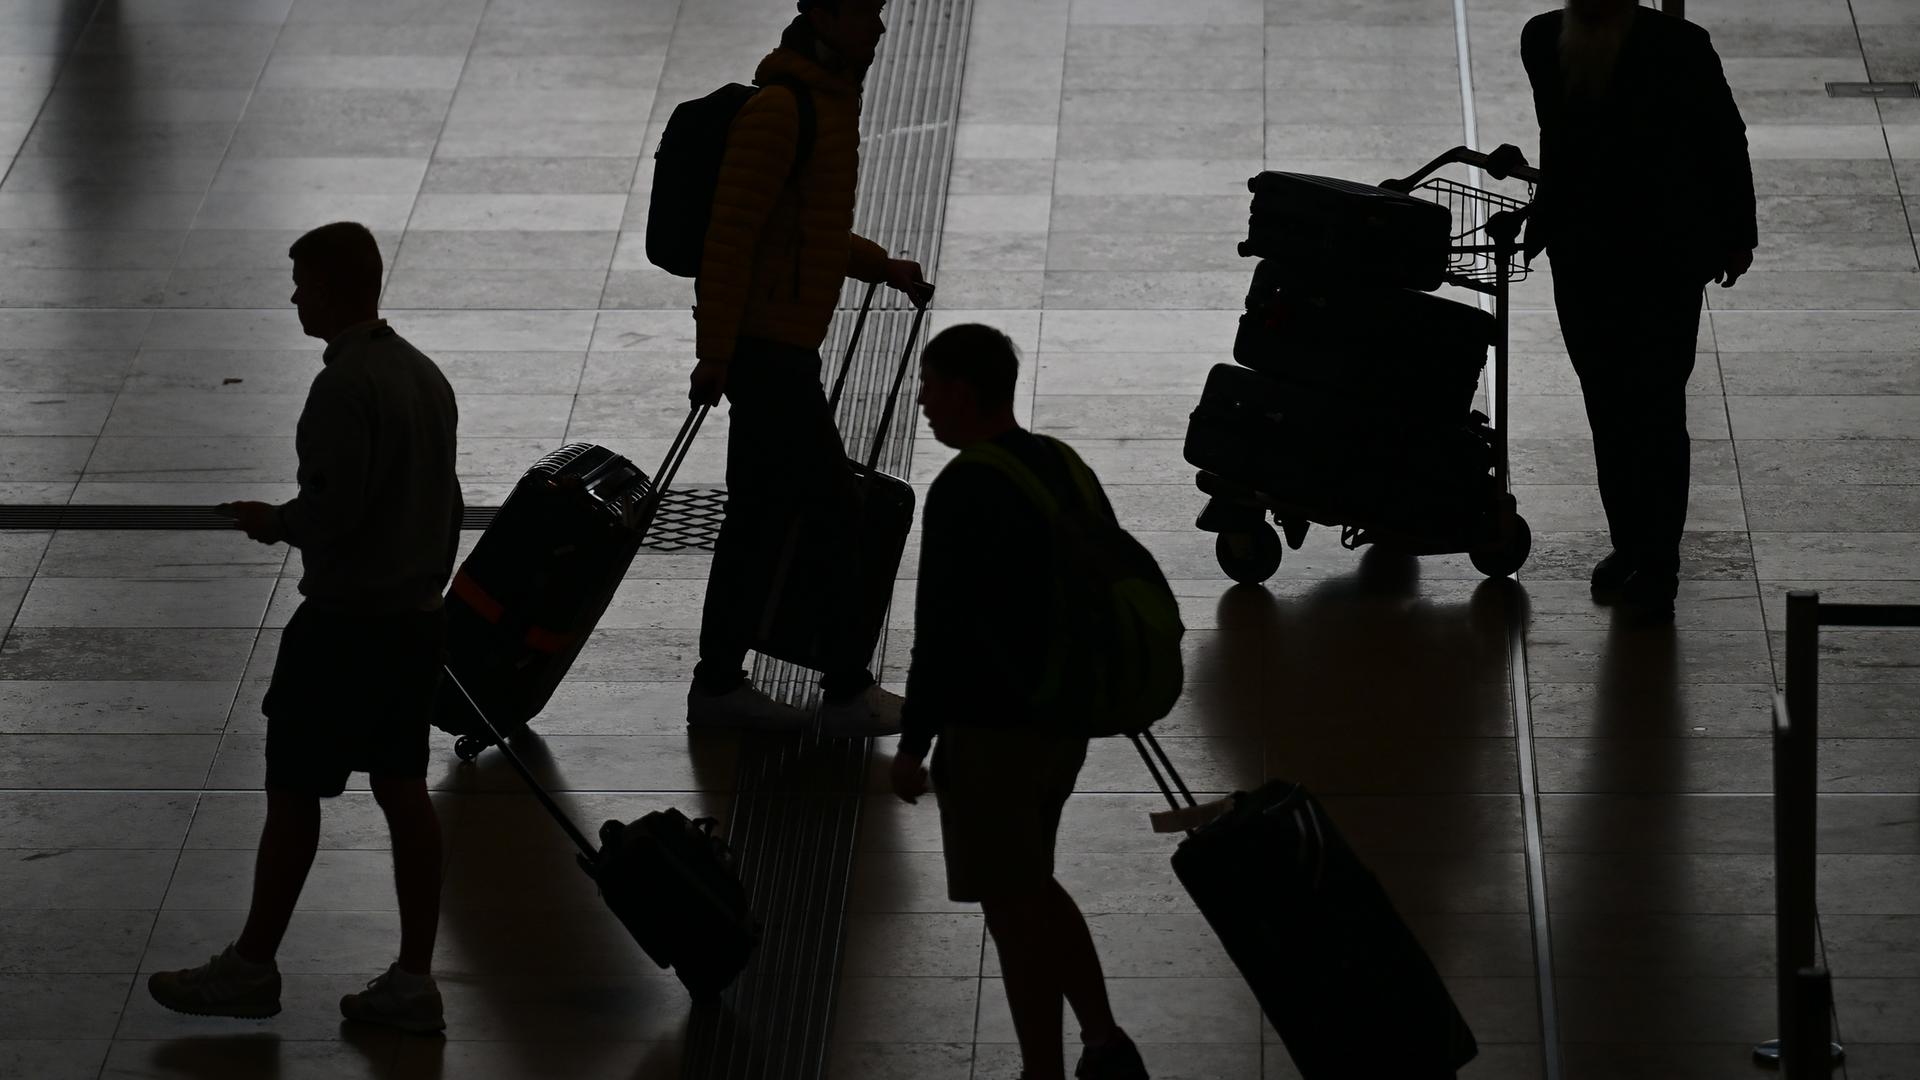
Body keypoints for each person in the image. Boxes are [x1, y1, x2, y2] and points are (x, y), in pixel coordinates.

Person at [147, 221, 462, 1034]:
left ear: (330, 285)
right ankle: (415, 978)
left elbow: (335, 512)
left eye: (301, 282)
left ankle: (251, 967)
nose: (293, 297)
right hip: (416, 622)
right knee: (402, 791)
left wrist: (274, 522)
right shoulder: (423, 375)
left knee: (293, 793)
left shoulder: (343, 387)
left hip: (346, 627)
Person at [889, 324, 1150, 1080]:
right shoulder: (1060, 463)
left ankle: (1047, 1071)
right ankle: (1103, 1044)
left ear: (964, 393)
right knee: (1030, 881)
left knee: (1012, 908)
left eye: (931, 387)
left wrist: (912, 744)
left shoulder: (966, 486)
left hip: (993, 729)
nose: (924, 403)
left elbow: (939, 628)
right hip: (1062, 718)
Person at [686, 0, 934, 735]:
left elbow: (808, 232)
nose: (880, 29)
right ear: (824, 15)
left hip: (784, 344)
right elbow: (728, 239)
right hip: (766, 353)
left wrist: (881, 266)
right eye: (865, 13)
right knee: (834, 509)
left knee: (760, 518)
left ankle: (722, 683)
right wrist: (715, 356)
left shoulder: (826, 105)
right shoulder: (781, 112)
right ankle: (843, 688)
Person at [1522, 0, 1757, 620]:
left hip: (1659, 259)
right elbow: (1560, 140)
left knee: (1652, 407)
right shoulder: (1542, 40)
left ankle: (1658, 560)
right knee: (1607, 404)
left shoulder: (1679, 46)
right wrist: (1542, 219)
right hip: (1586, 256)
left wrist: (1736, 235)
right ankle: (1632, 544)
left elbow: (1723, 138)